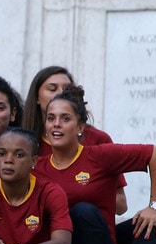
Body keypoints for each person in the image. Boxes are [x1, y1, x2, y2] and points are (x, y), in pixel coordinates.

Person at [38, 86, 156, 244]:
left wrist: (155, 206)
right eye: (51, 118)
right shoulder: (36, 168)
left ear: (80, 128)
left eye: (65, 119)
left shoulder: (98, 156)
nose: (56, 124)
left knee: (150, 224)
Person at [22, 66, 128, 215]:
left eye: (67, 88)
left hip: (91, 229)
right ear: (37, 99)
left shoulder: (98, 139)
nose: (60, 93)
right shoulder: (23, 143)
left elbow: (121, 206)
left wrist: (84, 190)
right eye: (52, 89)